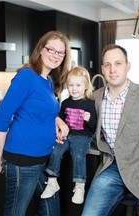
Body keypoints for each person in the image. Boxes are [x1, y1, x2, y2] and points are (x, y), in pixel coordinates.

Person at [82, 44, 139, 216]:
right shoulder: (95, 97)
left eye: (118, 63)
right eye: (107, 64)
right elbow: (90, 129)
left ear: (128, 66)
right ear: (102, 68)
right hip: (111, 168)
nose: (112, 69)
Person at [0, 30, 71, 216]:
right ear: (40, 49)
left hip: (41, 159)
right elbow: (2, 116)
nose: (55, 55)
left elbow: (41, 109)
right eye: (51, 49)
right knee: (15, 211)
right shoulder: (27, 76)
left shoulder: (48, 80)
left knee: (51, 208)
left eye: (61, 52)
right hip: (22, 160)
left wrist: (58, 120)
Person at [40, 66, 97, 205]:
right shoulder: (65, 103)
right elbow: (60, 119)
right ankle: (52, 182)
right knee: (56, 149)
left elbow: (94, 126)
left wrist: (89, 118)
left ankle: (79, 186)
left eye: (78, 85)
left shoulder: (89, 104)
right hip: (68, 134)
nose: (74, 88)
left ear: (85, 86)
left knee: (78, 154)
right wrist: (59, 131)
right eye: (71, 85)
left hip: (83, 136)